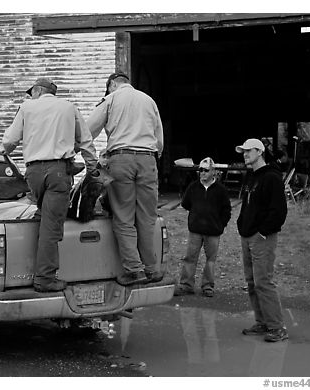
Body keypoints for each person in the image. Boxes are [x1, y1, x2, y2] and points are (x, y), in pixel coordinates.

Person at [0, 77, 99, 292]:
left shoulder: (26, 108)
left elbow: (9, 141)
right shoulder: (69, 107)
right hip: (57, 173)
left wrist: (4, 149)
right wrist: (92, 167)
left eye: (31, 92)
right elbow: (85, 140)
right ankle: (45, 279)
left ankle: (29, 269)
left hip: (33, 173)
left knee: (42, 217)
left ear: (37, 90)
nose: (30, 96)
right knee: (51, 228)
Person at [87, 72, 164, 286]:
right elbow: (159, 141)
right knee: (147, 218)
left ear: (112, 84)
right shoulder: (149, 100)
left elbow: (88, 131)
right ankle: (152, 269)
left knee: (123, 217)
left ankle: (134, 270)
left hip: (121, 159)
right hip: (148, 160)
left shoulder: (111, 99)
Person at [236, 138, 288, 342]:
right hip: (247, 235)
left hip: (262, 237)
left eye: (248, 151)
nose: (245, 154)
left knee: (263, 282)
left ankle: (277, 327)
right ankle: (262, 322)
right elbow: (246, 204)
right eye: (243, 151)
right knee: (251, 282)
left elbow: (279, 211)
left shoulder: (272, 178)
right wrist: (241, 225)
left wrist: (263, 232)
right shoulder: (251, 176)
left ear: (260, 151)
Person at [173, 157, 232, 297]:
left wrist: (220, 225)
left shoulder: (221, 190)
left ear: (213, 172)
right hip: (195, 231)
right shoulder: (193, 187)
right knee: (190, 258)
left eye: (206, 170)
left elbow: (226, 210)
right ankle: (186, 285)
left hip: (213, 232)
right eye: (200, 170)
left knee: (210, 260)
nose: (202, 173)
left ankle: (208, 286)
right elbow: (185, 204)